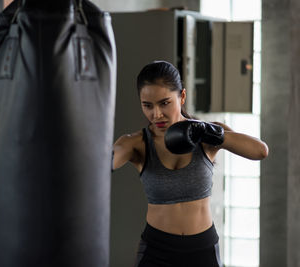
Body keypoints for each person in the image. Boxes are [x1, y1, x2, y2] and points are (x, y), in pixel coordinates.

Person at [112, 61, 268, 267]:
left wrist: (210, 132)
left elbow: (260, 151)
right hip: (157, 250)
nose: (156, 114)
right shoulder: (136, 143)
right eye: (147, 105)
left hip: (202, 248)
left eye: (164, 103)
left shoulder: (207, 135)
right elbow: (101, 165)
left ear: (182, 96)